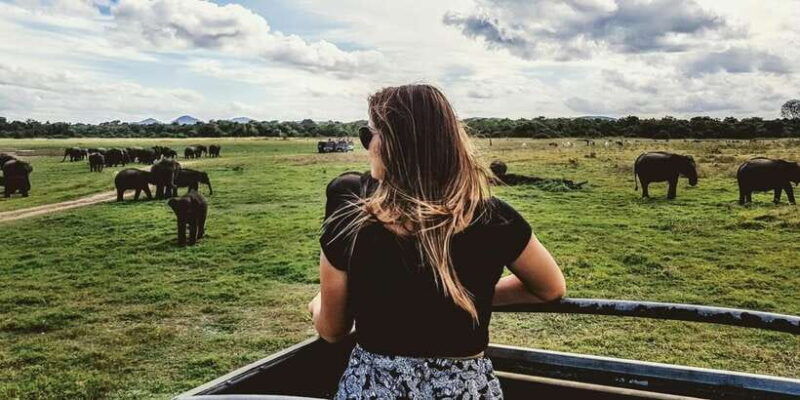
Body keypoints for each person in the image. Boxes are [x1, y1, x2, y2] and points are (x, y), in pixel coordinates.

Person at [308, 84, 566, 399]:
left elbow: (333, 331)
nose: (367, 147)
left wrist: (317, 304)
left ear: (394, 144)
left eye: (368, 135)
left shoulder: (350, 216)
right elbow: (550, 288)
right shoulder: (493, 216)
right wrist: (468, 297)